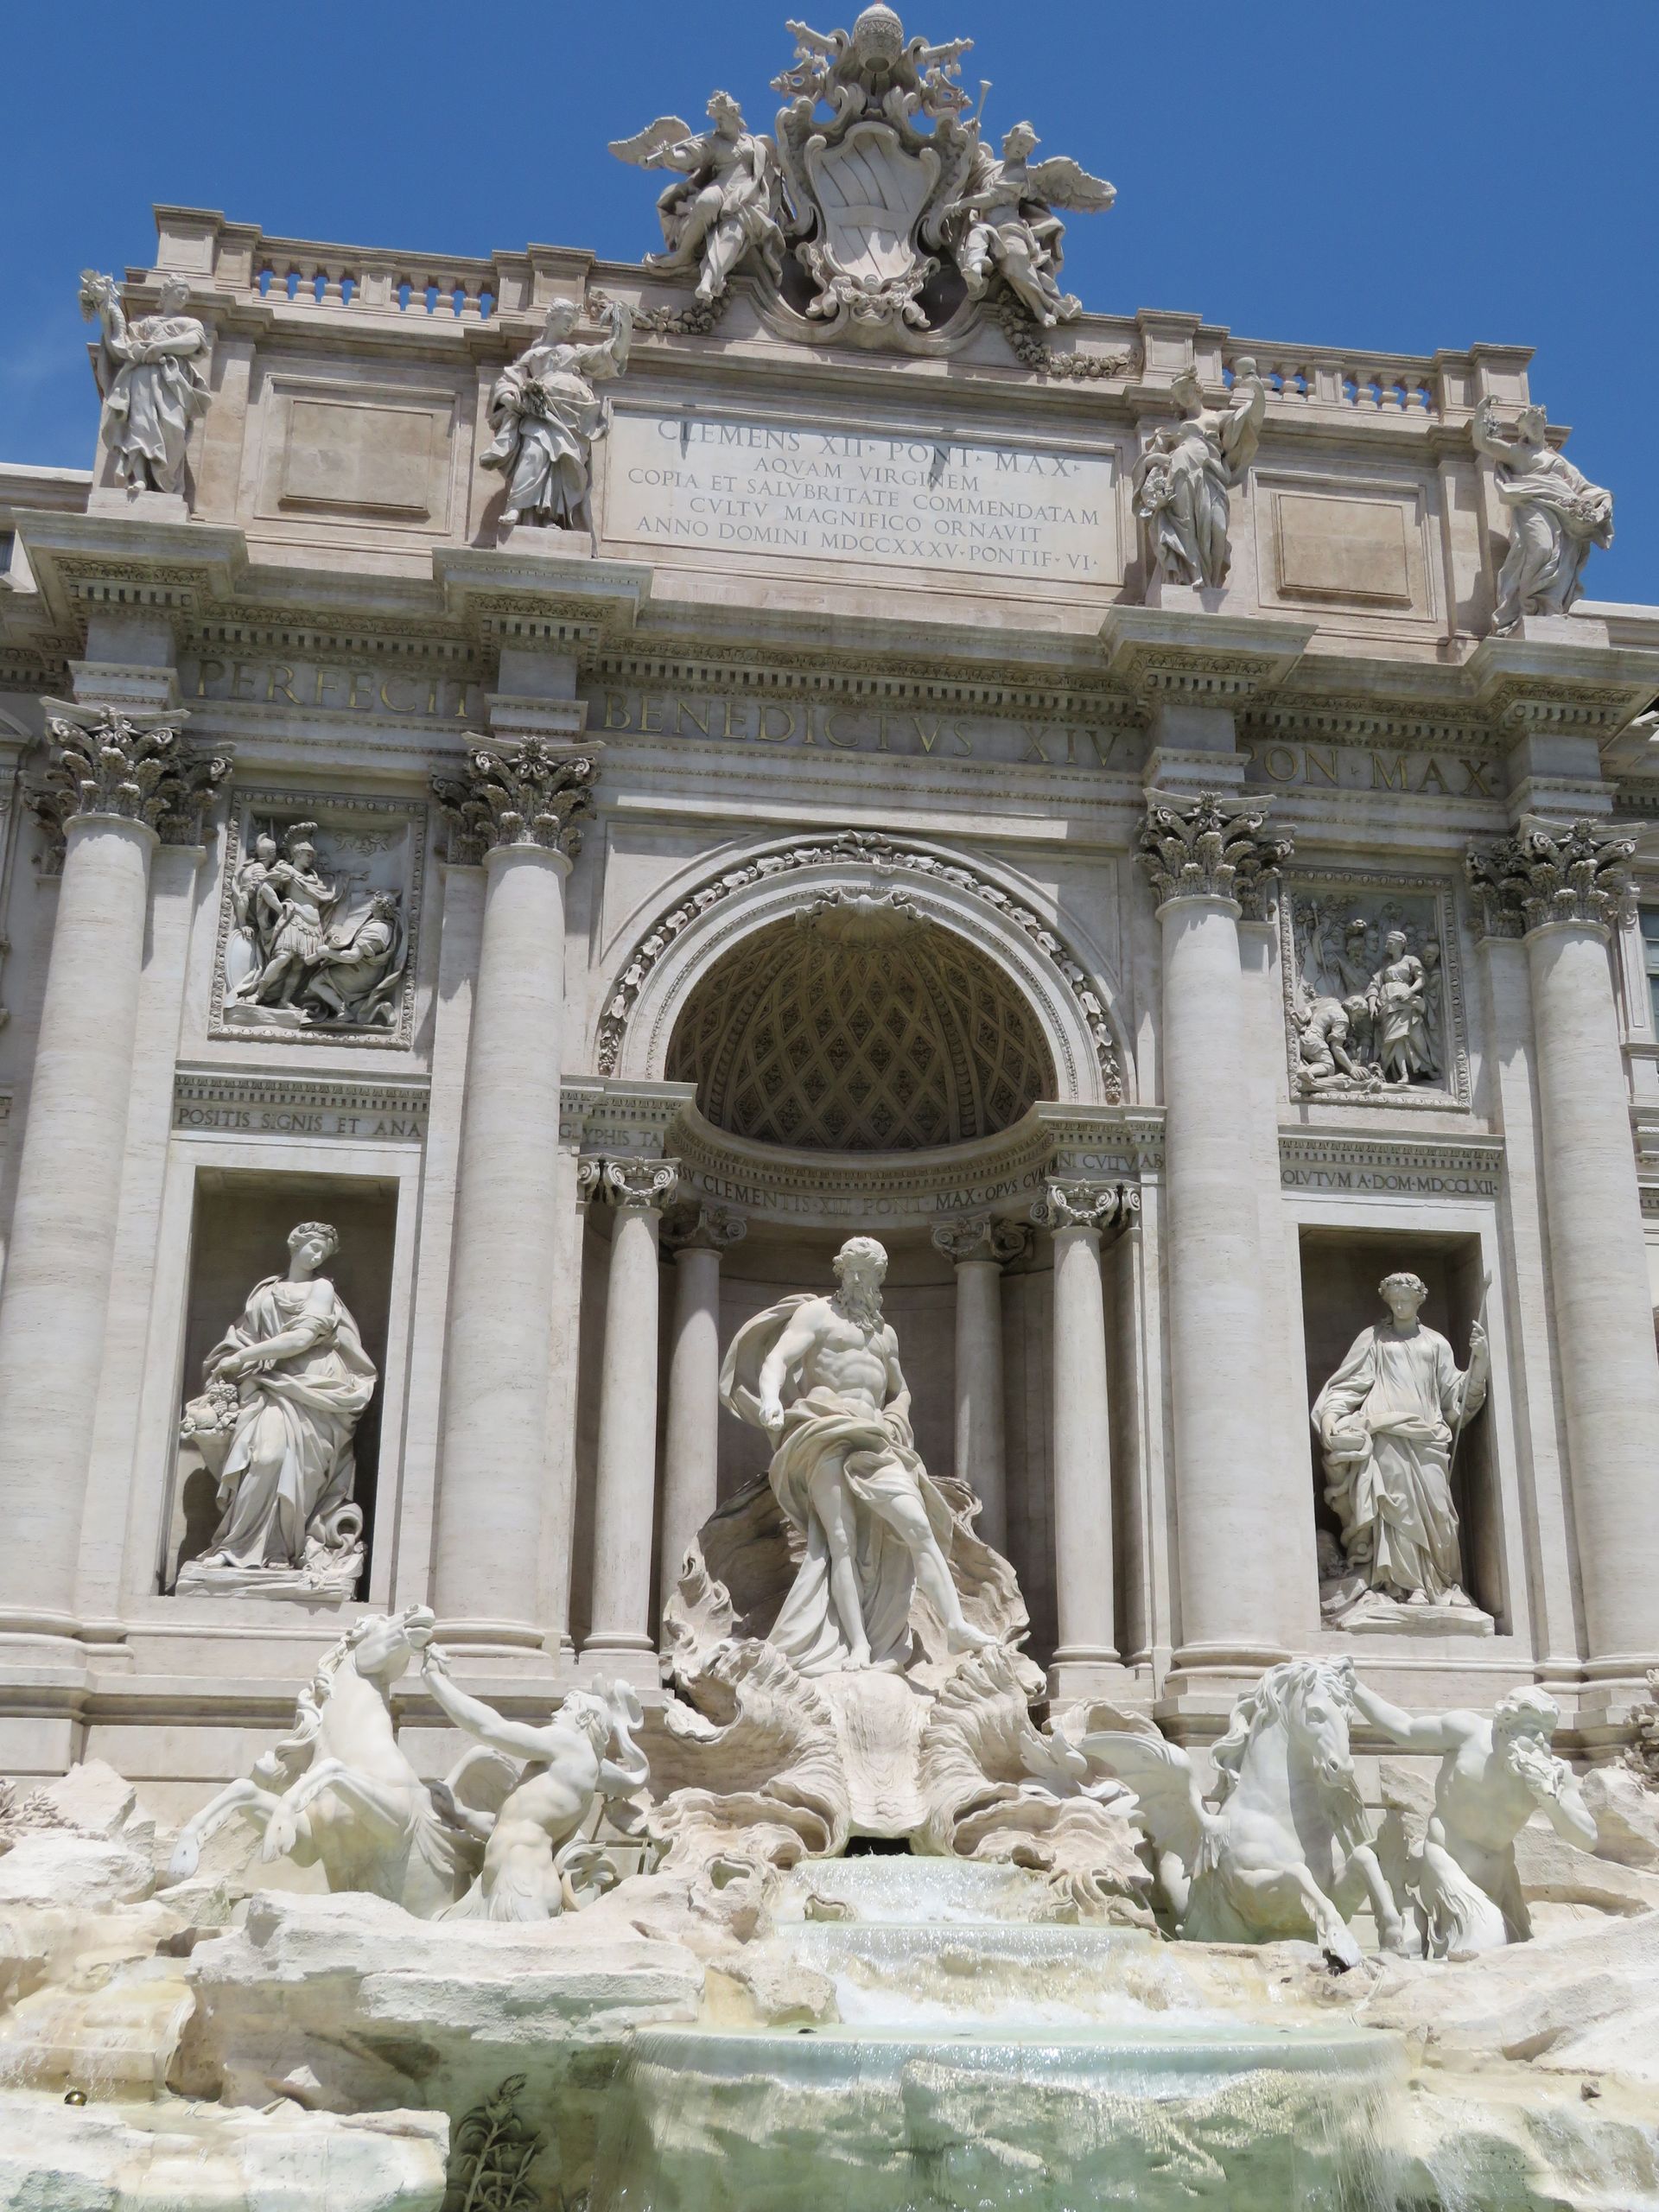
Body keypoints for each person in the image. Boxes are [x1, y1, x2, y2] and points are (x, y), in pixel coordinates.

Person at [720, 1236, 996, 1674]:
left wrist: (896, 1415)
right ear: (841, 1272)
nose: (861, 1281)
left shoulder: (885, 1335)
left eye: (869, 1274)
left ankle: (956, 1625)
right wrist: (771, 1399)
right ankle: (859, 1646)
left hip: (876, 1439)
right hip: (824, 1431)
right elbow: (776, 1359)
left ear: (880, 1279)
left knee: (918, 1525)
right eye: (854, 1273)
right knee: (840, 1542)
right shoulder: (816, 1315)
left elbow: (899, 1388)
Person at [1346, 1678, 1596, 1955]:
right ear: (1504, 1726)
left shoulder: (1555, 1773)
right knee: (1490, 1946)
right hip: (1446, 1864)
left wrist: (1552, 1801)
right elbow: (1403, 1728)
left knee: (1515, 1954)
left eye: (1547, 1734)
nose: (1540, 1741)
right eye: (1531, 1731)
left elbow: (1587, 1838)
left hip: (1502, 1878)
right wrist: (1354, 1687)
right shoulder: (1467, 1733)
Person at [184, 1223, 377, 1573]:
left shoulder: (322, 1289)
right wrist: (233, 1360)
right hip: (269, 1383)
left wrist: (245, 1357)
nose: (317, 1255)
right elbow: (240, 1337)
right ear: (294, 1245)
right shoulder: (265, 1293)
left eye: (324, 1251)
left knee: (299, 1472)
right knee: (266, 1457)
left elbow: (302, 1338)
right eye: (313, 1247)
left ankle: (281, 1551)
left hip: (315, 1388)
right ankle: (237, 1546)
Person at [1312, 1272, 1487, 1607]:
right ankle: (1407, 1586)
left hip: (1428, 1436)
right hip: (1386, 1434)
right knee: (1396, 1509)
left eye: (1405, 1299)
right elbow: (1349, 1385)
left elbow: (1457, 1398)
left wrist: (1480, 1363)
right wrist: (1332, 1415)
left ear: (1420, 1299)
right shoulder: (1375, 1339)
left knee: (1440, 1512)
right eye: (1394, 1300)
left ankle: (1441, 1582)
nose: (1400, 1304)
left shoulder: (1436, 1343)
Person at [480, 295, 632, 533]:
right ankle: (516, 507)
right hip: (541, 411)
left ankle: (551, 516)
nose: (570, 325)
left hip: (574, 416)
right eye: (567, 319)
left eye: (573, 321)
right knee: (534, 453)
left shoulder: (576, 352)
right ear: (550, 318)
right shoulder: (533, 355)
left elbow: (612, 355)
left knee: (562, 463)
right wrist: (510, 398)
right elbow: (508, 380)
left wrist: (624, 327)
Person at [1472, 397, 1613, 632]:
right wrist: (1480, 414)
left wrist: (1604, 501)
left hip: (1564, 512)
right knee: (1542, 549)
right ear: (1523, 430)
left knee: (1560, 558)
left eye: (1538, 423)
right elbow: (1484, 443)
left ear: (1544, 425)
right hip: (1534, 507)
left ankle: (1549, 607)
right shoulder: (1518, 453)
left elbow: (1584, 487)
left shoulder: (1557, 460)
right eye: (1530, 425)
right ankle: (1528, 605)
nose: (1535, 428)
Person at [79, 270, 211, 495]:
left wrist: (161, 347)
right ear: (167, 294)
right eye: (179, 293)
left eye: (186, 295)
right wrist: (106, 314)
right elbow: (120, 346)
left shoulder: (191, 323)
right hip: (141, 377)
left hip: (171, 380)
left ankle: (165, 480)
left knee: (173, 427)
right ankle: (139, 477)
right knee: (140, 424)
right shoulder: (145, 324)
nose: (183, 298)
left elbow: (193, 341)